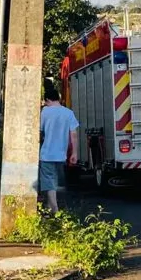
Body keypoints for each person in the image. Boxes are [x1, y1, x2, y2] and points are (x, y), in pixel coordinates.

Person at [39, 81, 79, 214]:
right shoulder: (68, 113)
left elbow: (40, 130)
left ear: (48, 100)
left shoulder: (45, 112)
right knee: (55, 181)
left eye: (45, 102)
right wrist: (74, 153)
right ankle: (51, 207)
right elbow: (73, 134)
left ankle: (54, 208)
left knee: (49, 182)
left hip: (46, 153)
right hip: (61, 154)